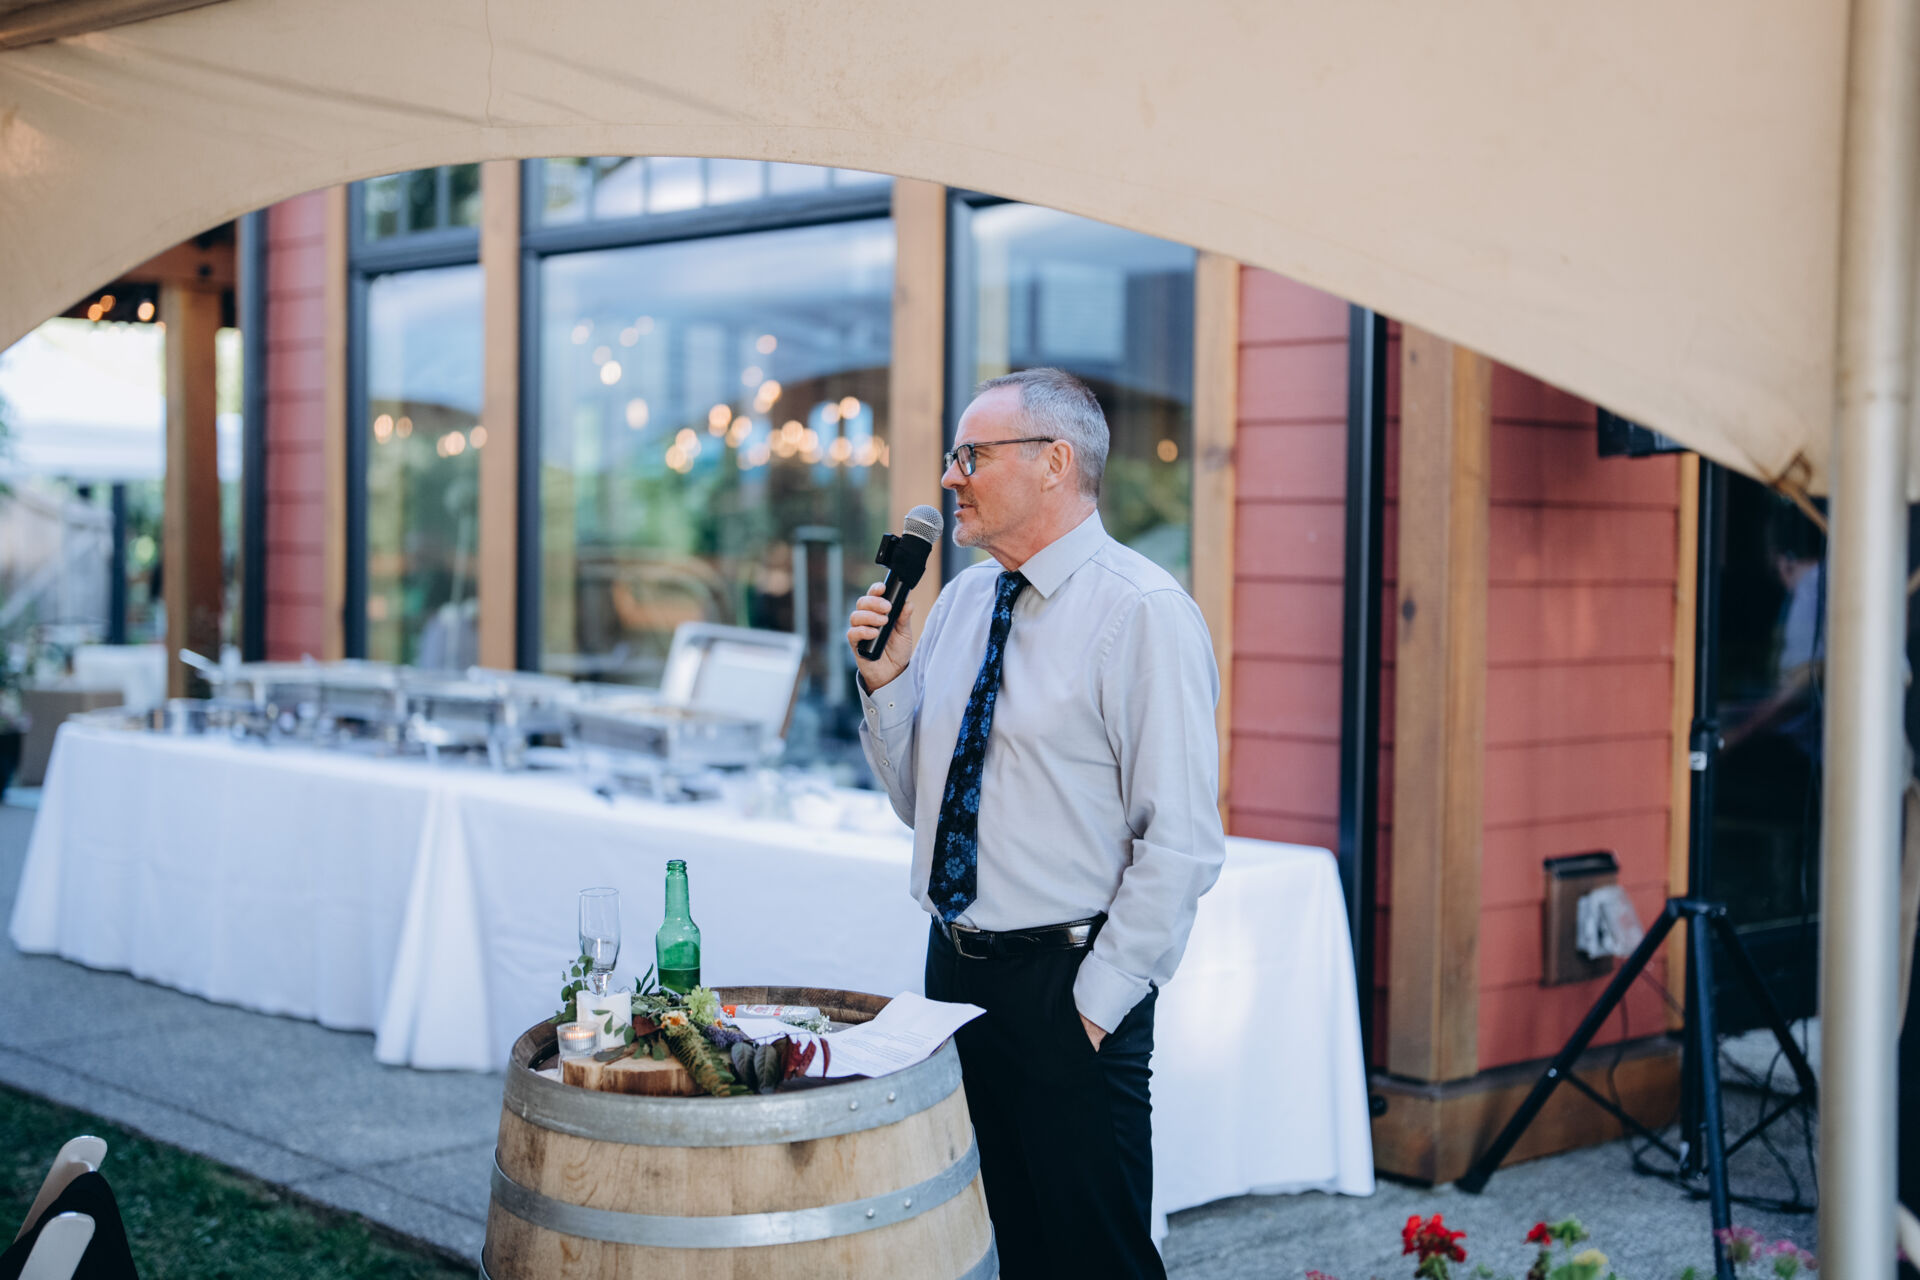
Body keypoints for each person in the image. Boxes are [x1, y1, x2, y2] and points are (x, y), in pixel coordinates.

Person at [845, 367, 1225, 1278]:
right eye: (954, 457)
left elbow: (1179, 843)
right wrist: (887, 686)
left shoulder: (1142, 612)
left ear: (1055, 463)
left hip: (1068, 983)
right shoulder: (963, 602)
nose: (950, 477)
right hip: (955, 973)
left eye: (971, 455)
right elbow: (925, 808)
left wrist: (1093, 1010)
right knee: (999, 1245)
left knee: (1095, 1259)